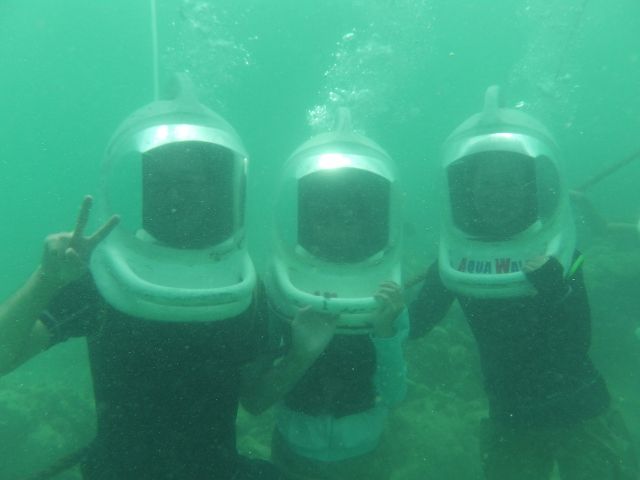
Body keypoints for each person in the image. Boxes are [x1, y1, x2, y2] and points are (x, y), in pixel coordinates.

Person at [0, 75, 281, 480]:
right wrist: (46, 279)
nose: (174, 196)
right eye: (160, 182)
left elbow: (255, 399)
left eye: (188, 183)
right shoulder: (105, 277)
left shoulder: (243, 286)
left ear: (217, 190)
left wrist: (307, 349)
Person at [409, 86, 638, 479]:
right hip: (511, 419)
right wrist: (384, 313)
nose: (497, 195)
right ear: (468, 189)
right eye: (487, 184)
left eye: (510, 184)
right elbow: (416, 325)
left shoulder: (561, 251)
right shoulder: (456, 261)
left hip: (582, 411)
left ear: (529, 188)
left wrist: (555, 288)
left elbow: (577, 342)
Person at [242, 108, 408, 480]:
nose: (334, 230)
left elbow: (395, 394)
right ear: (306, 221)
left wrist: (385, 333)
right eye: (323, 217)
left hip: (367, 456)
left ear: (366, 223)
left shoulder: (384, 289)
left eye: (347, 218)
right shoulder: (280, 285)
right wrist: (302, 353)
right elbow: (255, 400)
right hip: (291, 452)